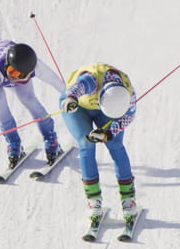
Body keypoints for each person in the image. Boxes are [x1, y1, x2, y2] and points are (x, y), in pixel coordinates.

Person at [59, 63, 138, 230]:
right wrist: (71, 99)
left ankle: (128, 200)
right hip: (78, 107)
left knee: (115, 144)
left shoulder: (129, 96)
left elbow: (126, 119)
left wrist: (107, 133)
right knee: (86, 145)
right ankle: (94, 202)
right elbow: (77, 88)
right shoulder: (91, 80)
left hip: (106, 112)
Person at [0, 39, 65, 168]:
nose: (15, 77)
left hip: (9, 60)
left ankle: (50, 137)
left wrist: (70, 96)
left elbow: (55, 81)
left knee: (29, 99)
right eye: (13, 72)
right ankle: (13, 143)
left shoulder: (35, 65)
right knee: (0, 106)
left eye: (20, 75)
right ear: (7, 64)